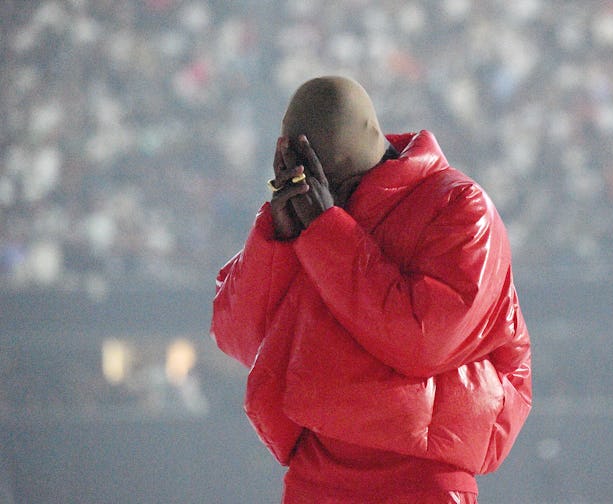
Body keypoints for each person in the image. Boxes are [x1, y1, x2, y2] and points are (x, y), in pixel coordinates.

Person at [211, 76, 532, 504]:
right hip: (315, 478)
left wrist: (327, 230)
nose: (330, 202)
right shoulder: (310, 214)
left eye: (338, 187)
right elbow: (236, 337)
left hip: (421, 483)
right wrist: (280, 240)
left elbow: (422, 339)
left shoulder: (460, 207)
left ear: (357, 163)